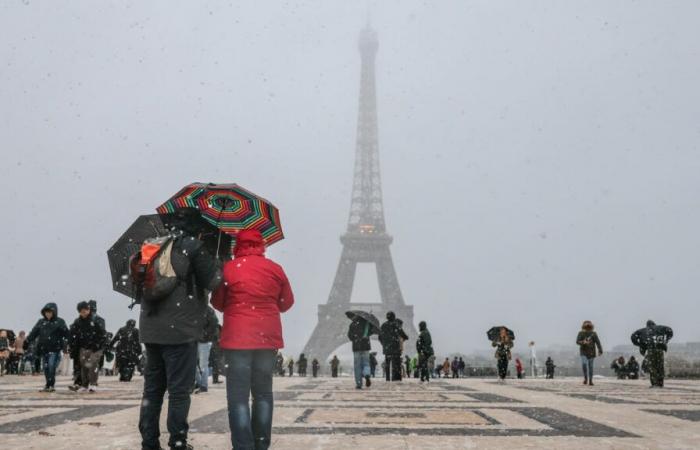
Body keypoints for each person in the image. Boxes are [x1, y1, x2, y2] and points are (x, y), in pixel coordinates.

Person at [138, 209, 222, 450]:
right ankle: (177, 441)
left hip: (151, 327)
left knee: (152, 390)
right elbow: (213, 282)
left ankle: (149, 442)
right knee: (179, 391)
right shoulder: (192, 246)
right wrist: (215, 263)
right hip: (180, 329)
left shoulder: (152, 245)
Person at [211, 228, 294, 450]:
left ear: (237, 245)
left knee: (238, 397)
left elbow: (217, 303)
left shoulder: (229, 268)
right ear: (262, 245)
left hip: (237, 339)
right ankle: (261, 444)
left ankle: (243, 446)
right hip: (266, 339)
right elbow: (287, 303)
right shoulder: (275, 269)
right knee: (264, 395)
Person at [27, 303, 69, 392]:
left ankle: (51, 385)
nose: (48, 314)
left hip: (54, 349)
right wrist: (27, 341)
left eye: (50, 312)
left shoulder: (60, 321)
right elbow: (34, 333)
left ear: (54, 312)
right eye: (46, 312)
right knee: (46, 367)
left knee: (51, 365)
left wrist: (67, 342)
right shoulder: (41, 322)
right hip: (44, 349)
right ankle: (48, 384)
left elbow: (67, 334)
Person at [68, 301, 107, 392]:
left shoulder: (97, 320)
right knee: (84, 366)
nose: (83, 313)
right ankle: (84, 385)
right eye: (81, 311)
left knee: (93, 364)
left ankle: (93, 384)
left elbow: (102, 334)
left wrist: (98, 344)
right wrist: (72, 345)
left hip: (96, 347)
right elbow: (72, 334)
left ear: (89, 310)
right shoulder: (78, 322)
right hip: (83, 347)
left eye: (85, 310)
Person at [632, 320, 673, 388]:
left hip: (651, 350)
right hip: (660, 349)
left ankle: (654, 383)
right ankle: (660, 383)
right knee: (660, 366)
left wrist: (639, 344)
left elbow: (633, 336)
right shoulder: (660, 328)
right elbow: (670, 330)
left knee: (652, 366)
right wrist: (666, 339)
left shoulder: (643, 330)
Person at [194, 306, 219, 394]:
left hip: (204, 340)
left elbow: (214, 323)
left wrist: (205, 334)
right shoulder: (194, 308)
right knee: (193, 363)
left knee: (203, 364)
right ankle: (199, 382)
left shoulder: (208, 310)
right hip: (194, 340)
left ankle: (203, 385)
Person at [379, 312, 409, 382]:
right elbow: (402, 334)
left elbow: (380, 336)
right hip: (395, 348)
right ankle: (396, 378)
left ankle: (387, 378)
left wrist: (383, 344)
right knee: (396, 364)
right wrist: (405, 337)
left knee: (387, 364)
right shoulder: (396, 324)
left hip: (387, 348)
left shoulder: (383, 325)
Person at [347, 315, 375, 389]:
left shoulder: (352, 324)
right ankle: (367, 374)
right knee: (366, 363)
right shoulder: (366, 324)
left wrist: (355, 337)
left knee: (357, 366)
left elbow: (350, 336)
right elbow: (371, 332)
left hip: (356, 347)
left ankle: (359, 383)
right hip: (366, 346)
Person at [576, 320, 603, 386]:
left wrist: (600, 350)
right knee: (584, 364)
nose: (587, 325)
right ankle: (586, 378)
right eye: (586, 324)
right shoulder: (581, 333)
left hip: (591, 352)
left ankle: (590, 380)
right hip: (583, 351)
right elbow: (577, 341)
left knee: (590, 367)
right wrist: (583, 342)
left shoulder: (594, 333)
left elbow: (598, 342)